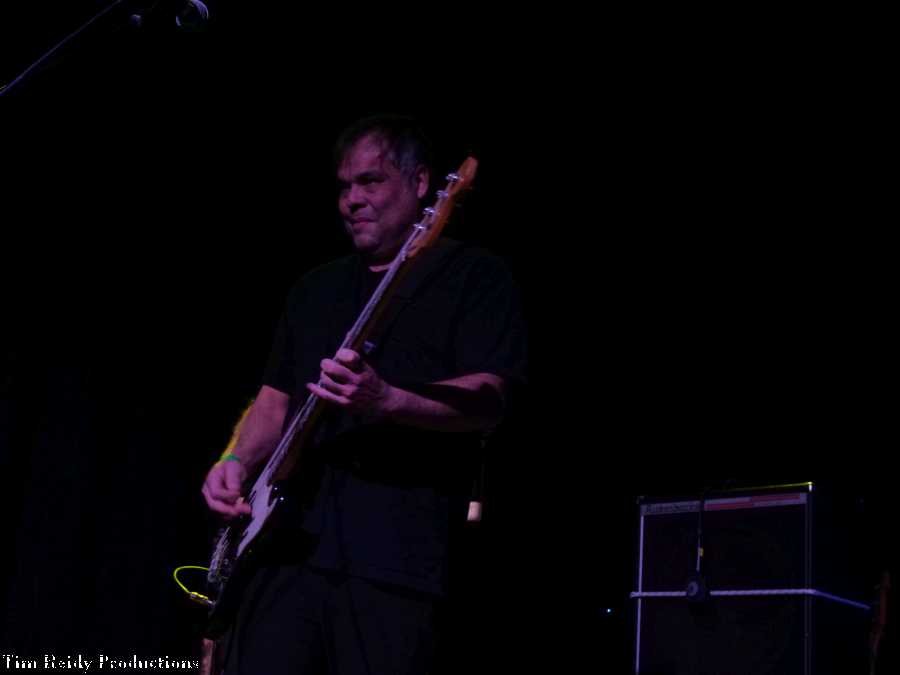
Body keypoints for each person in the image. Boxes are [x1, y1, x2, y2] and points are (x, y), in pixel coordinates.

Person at [201, 114, 527, 675]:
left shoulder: (474, 276)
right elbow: (274, 401)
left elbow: (490, 396)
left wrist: (387, 400)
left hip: (394, 564)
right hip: (284, 554)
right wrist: (234, 461)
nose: (351, 200)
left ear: (421, 183)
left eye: (370, 181)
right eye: (344, 186)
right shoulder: (314, 287)